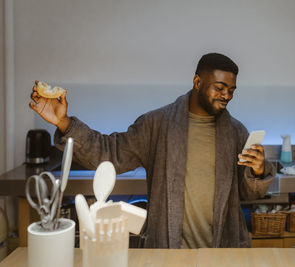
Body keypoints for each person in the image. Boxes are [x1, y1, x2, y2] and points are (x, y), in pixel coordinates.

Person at [29, 53, 275, 249]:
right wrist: (64, 123)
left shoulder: (236, 132)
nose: (226, 96)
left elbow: (247, 194)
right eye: (219, 88)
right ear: (197, 82)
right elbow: (108, 153)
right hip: (167, 252)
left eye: (231, 90)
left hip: (223, 252)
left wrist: (259, 171)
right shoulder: (157, 124)